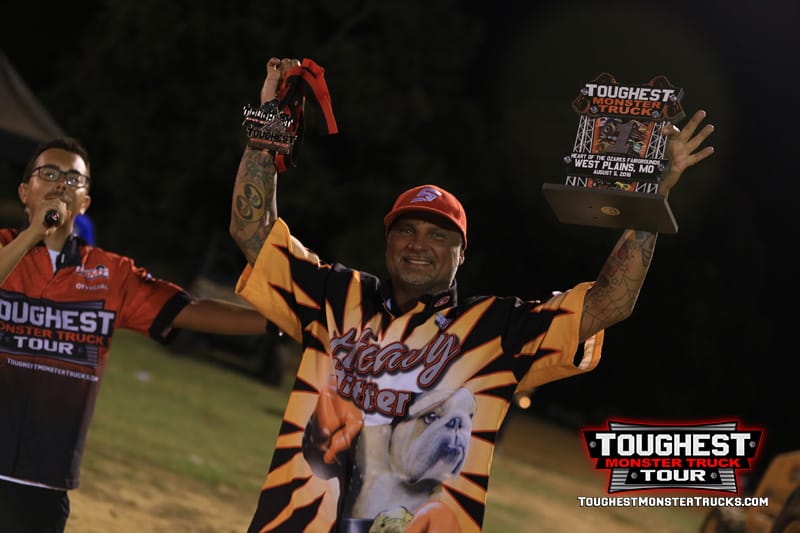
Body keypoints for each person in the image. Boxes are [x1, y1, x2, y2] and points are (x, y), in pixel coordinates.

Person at [229, 58, 715, 533]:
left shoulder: (496, 330)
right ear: (388, 241)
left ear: (462, 253)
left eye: (439, 235)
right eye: (406, 230)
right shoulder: (337, 295)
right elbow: (252, 233)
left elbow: (609, 304)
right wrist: (268, 132)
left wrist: (650, 199)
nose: (419, 244)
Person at [0, 136, 276, 532]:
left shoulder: (110, 275)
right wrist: (33, 233)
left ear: (85, 203)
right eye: (49, 173)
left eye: (74, 179)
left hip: (44, 478)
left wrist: (277, 321)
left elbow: (188, 310)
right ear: (25, 192)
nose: (61, 183)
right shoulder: (5, 247)